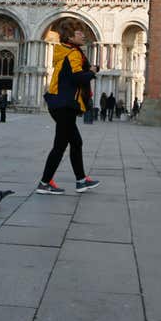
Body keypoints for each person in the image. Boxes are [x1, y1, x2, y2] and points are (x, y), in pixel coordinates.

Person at [36, 27, 102, 195]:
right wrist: (92, 72)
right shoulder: (73, 53)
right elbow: (77, 78)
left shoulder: (67, 52)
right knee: (60, 146)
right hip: (65, 105)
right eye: (79, 33)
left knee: (76, 142)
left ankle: (81, 180)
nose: (83, 35)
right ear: (70, 37)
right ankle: (44, 183)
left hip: (60, 104)